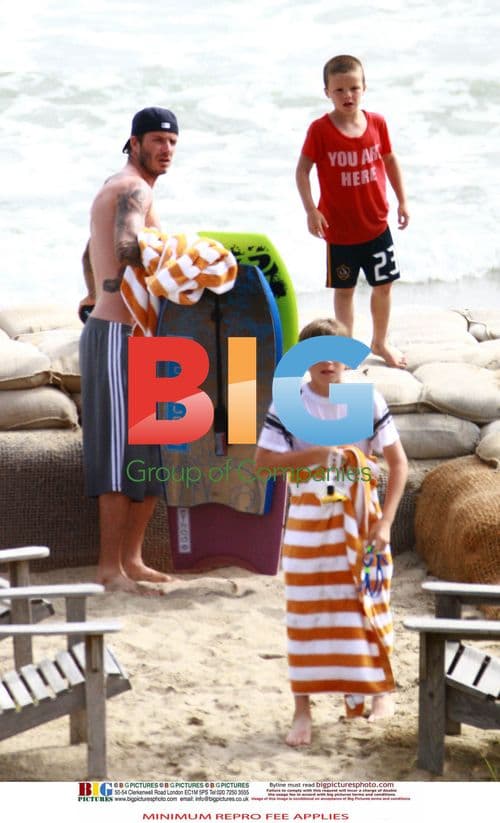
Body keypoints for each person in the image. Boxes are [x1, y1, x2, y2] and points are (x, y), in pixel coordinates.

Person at [254, 317, 408, 746]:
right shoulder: (289, 404)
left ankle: (378, 694)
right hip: (307, 518)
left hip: (362, 516)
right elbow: (263, 463)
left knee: (367, 605)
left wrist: (387, 524)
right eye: (314, 354)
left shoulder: (367, 399)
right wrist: (318, 453)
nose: (326, 361)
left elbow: (399, 465)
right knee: (306, 612)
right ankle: (302, 710)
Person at [79, 107, 180, 593]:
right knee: (120, 456)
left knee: (150, 451)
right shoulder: (133, 189)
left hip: (138, 336)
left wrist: (93, 292)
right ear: (134, 142)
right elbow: (125, 245)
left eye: (173, 142)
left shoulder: (120, 185)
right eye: (157, 140)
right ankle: (108, 569)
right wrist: (185, 256)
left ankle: (133, 560)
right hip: (117, 338)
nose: (166, 150)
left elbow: (87, 253)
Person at [296, 54, 410, 368]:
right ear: (327, 92)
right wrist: (310, 210)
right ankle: (345, 348)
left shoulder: (377, 123)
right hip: (341, 231)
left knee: (383, 286)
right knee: (344, 292)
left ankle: (380, 341)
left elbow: (389, 160)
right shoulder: (319, 130)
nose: (348, 95)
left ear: (364, 88)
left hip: (376, 225)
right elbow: (302, 171)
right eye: (340, 90)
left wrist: (402, 201)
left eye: (354, 88)